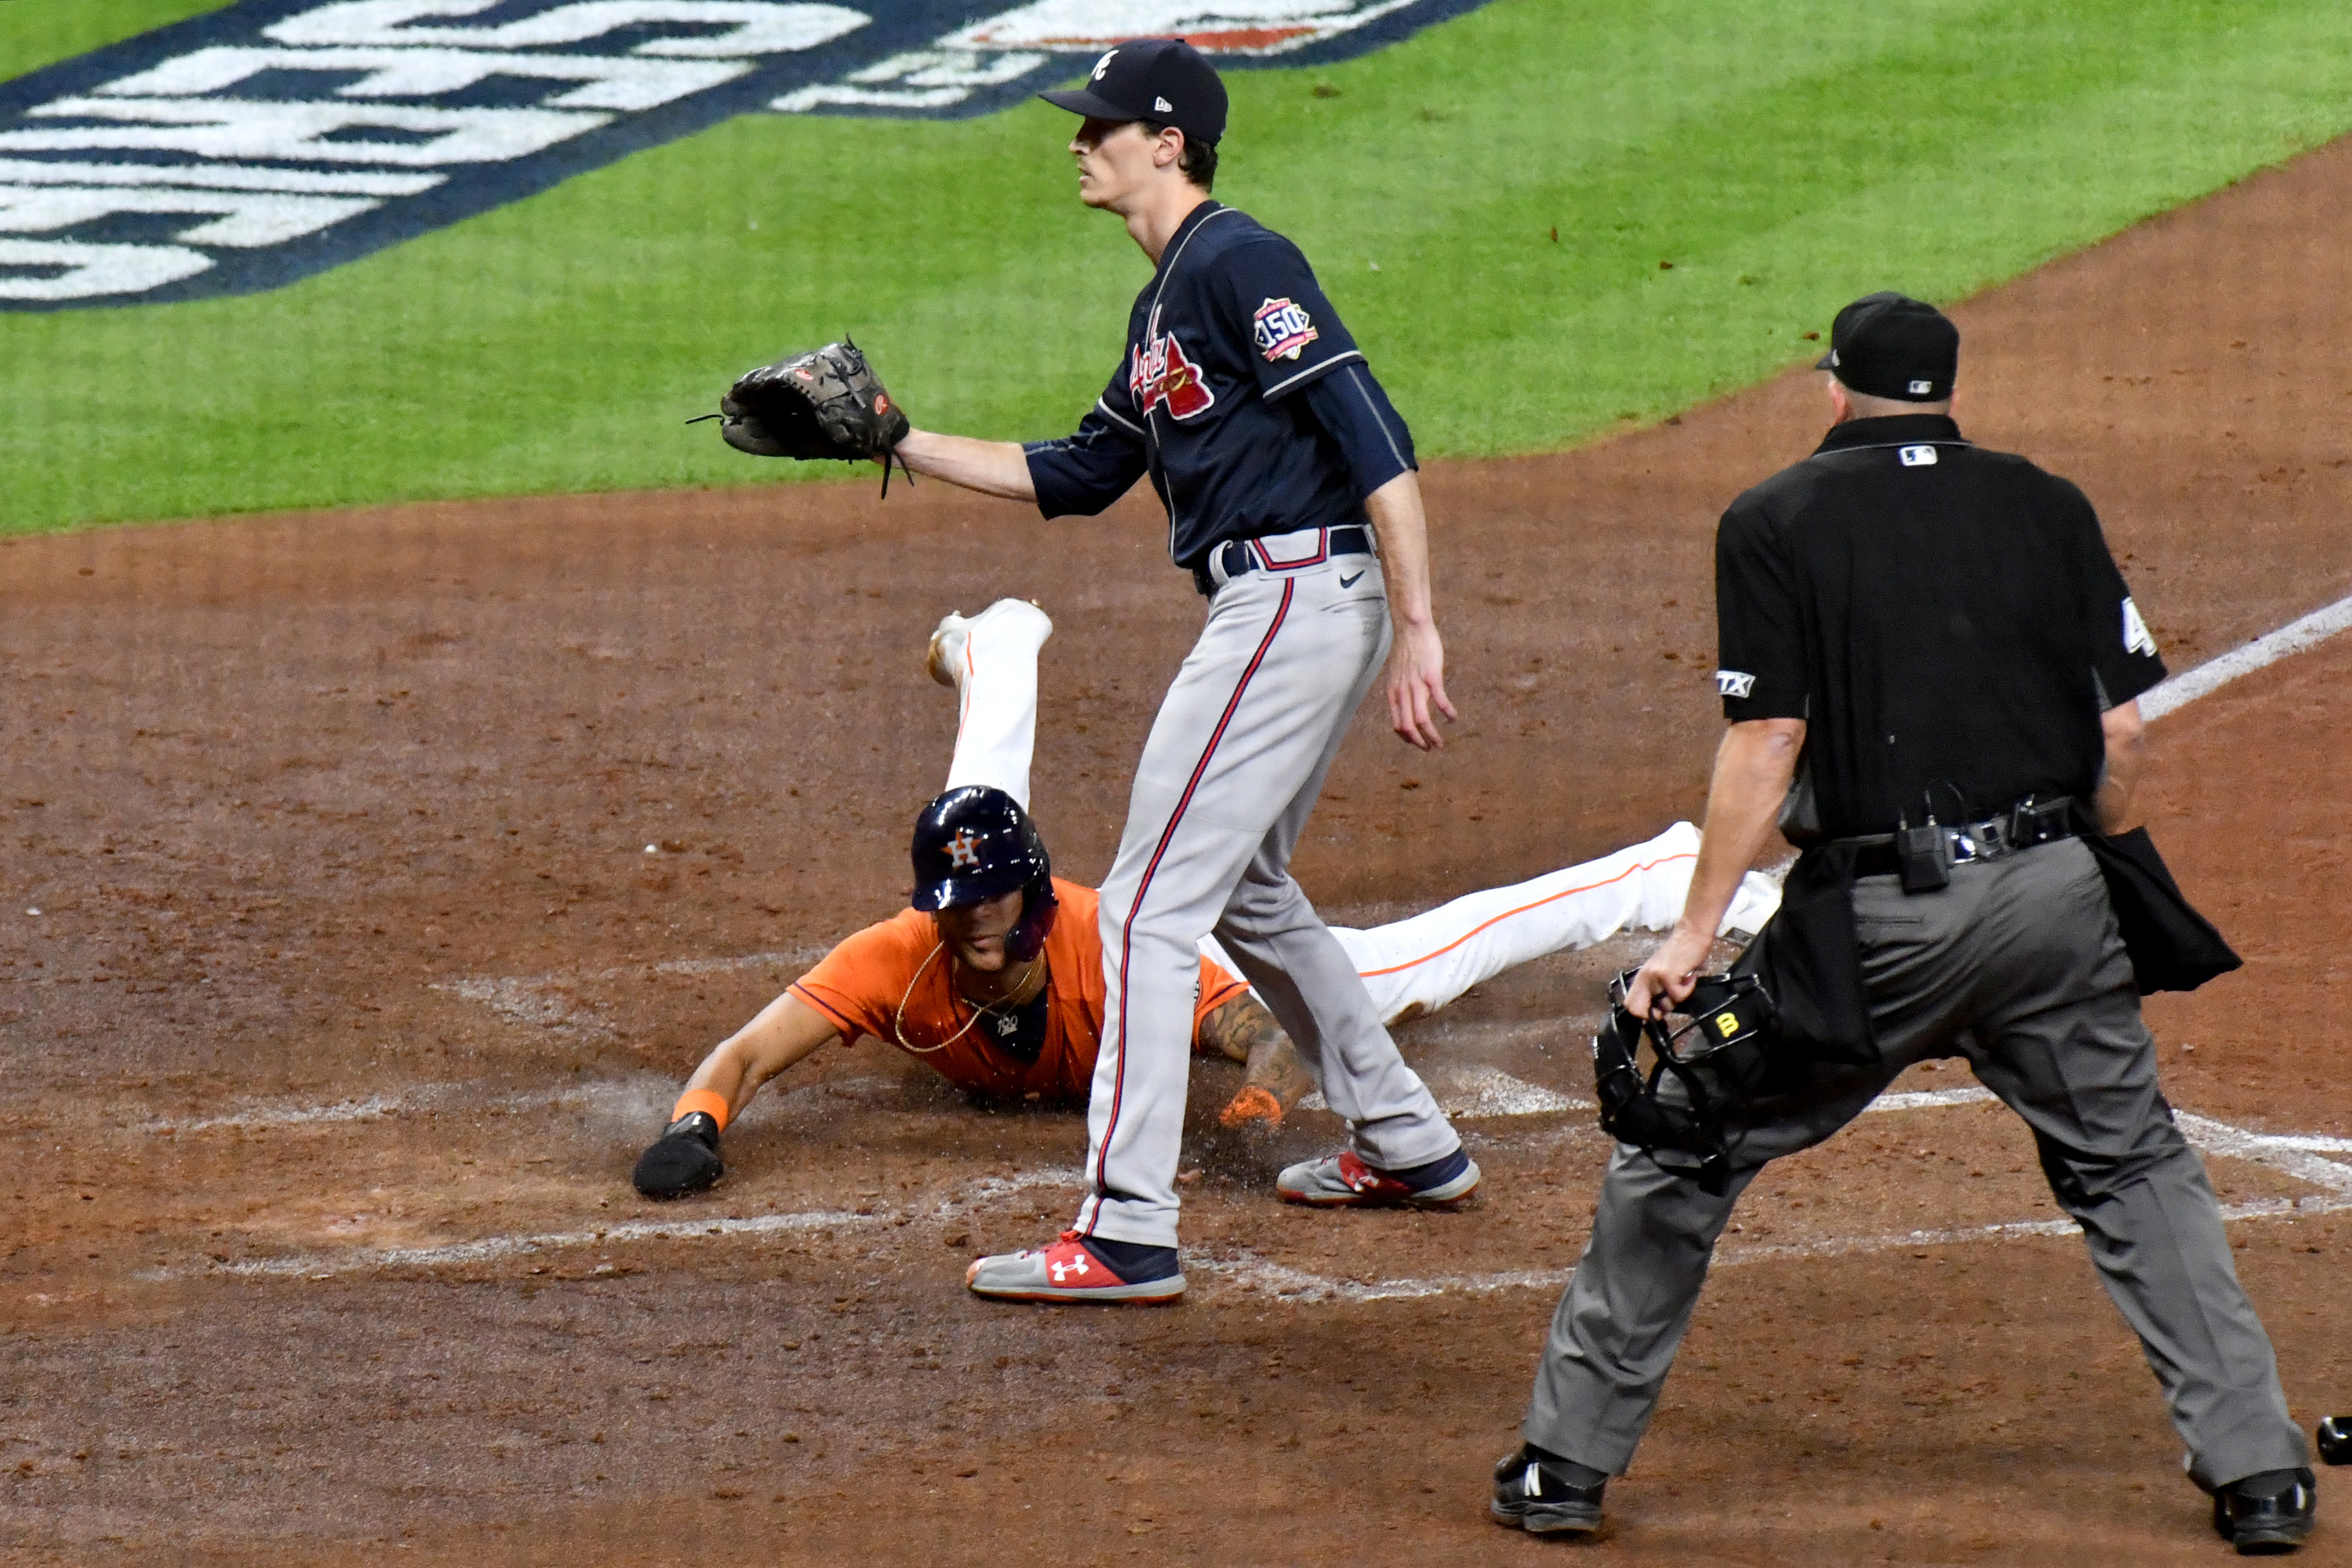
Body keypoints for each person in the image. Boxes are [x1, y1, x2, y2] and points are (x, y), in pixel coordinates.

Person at [1492, 294, 2317, 1553]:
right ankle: (2263, 1475)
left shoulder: (1776, 517)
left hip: (1878, 932)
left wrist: (1690, 935)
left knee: (1686, 1138)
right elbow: (2123, 733)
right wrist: (2069, 871)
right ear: (1945, 390)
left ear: (1837, 389)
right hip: (2054, 904)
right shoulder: (2049, 502)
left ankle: (1565, 1468)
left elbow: (1770, 737)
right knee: (2136, 1164)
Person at [878, 38, 1479, 1305]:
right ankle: (1409, 1143)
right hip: (1292, 600)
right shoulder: (1163, 307)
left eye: (1101, 128)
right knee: (1247, 889)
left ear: (1170, 144)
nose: (1079, 145)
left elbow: (1375, 432)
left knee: (1151, 910)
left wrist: (1420, 627)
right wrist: (896, 438)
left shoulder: (1238, 259)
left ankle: (1126, 1229)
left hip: (1294, 594)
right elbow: (1074, 474)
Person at [631, 600, 1784, 1248]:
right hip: (1047, 896)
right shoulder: (908, 949)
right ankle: (997, 647)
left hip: (1215, 947)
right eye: (952, 912)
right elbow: (743, 1055)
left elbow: (1265, 1033)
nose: (968, 928)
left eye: (987, 912)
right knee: (981, 827)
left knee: (1410, 972)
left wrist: (1263, 1098)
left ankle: (1664, 875)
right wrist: (699, 1120)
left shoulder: (1114, 948)